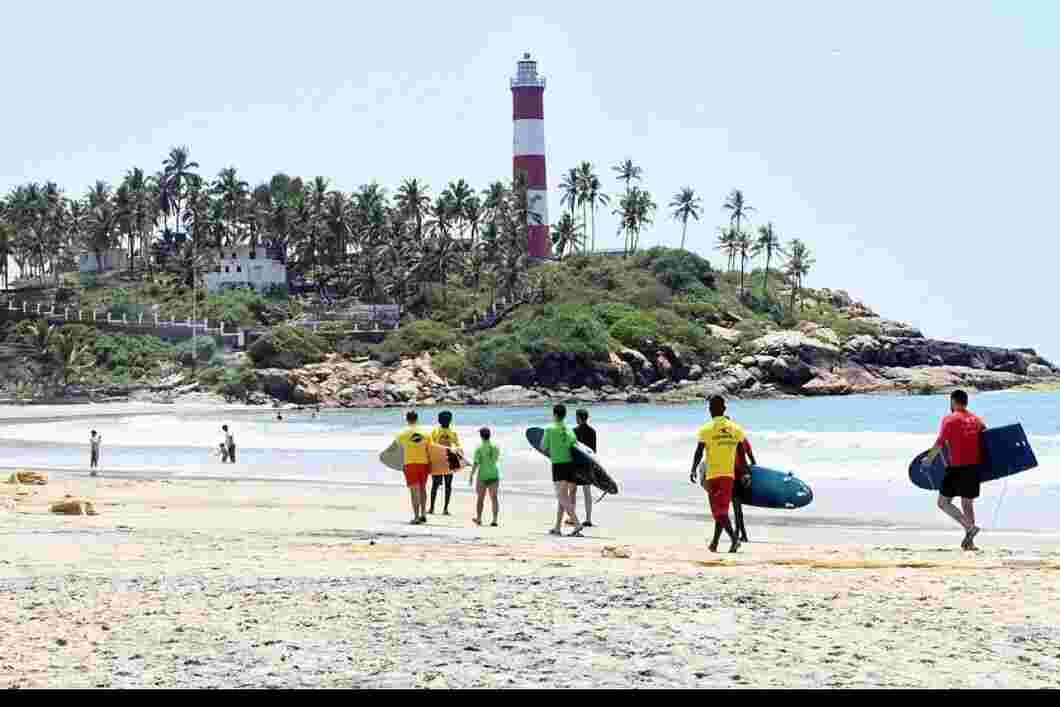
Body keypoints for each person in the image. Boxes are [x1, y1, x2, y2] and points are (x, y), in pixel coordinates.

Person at [925, 389, 986, 550]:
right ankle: (970, 543)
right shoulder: (977, 420)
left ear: (953, 401)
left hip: (956, 468)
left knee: (943, 503)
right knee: (967, 504)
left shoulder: (949, 419)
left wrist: (929, 459)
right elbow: (987, 440)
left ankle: (970, 528)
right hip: (974, 468)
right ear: (966, 402)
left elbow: (940, 443)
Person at [689, 395, 743, 553]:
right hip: (729, 476)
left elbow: (699, 451)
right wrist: (745, 472)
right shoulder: (735, 428)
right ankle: (715, 543)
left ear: (711, 410)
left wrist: (693, 469)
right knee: (722, 511)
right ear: (724, 409)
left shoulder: (706, 429)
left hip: (713, 475)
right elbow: (741, 452)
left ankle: (734, 538)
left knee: (718, 512)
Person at [542, 404, 583, 537]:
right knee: (563, 496)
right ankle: (557, 528)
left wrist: (554, 449)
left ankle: (576, 524)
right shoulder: (568, 429)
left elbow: (543, 446)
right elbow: (574, 442)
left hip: (558, 465)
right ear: (564, 415)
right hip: (569, 465)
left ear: (554, 414)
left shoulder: (549, 429)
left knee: (561, 496)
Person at [397, 410, 431, 524]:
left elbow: (398, 449)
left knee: (414, 491)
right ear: (417, 419)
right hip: (424, 464)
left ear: (407, 419)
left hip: (410, 464)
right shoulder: (426, 434)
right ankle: (424, 514)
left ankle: (416, 517)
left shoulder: (402, 434)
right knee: (422, 489)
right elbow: (430, 449)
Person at [429, 410, 462, 515]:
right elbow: (458, 446)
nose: (447, 421)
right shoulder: (439, 432)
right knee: (442, 485)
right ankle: (439, 509)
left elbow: (457, 445)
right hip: (445, 459)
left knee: (439, 485)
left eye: (447, 419)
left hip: (444, 460)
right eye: (446, 419)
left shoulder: (441, 432)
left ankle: (437, 508)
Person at [570, 408, 598, 527]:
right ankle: (588, 519)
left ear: (579, 418)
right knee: (587, 492)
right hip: (588, 464)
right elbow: (593, 451)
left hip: (577, 465)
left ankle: (573, 518)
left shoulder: (574, 431)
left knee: (573, 491)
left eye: (576, 417)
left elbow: (573, 449)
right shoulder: (593, 431)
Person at [470, 427, 501, 527]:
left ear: (481, 436)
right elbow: (495, 459)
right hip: (494, 474)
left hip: (483, 475)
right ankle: (495, 520)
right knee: (494, 498)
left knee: (480, 498)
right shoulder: (496, 447)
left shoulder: (479, 448)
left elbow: (476, 463)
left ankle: (479, 519)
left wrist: (471, 475)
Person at [733, 434, 756, 543]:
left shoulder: (727, 439)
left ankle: (738, 534)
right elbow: (750, 455)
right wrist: (752, 470)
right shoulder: (742, 437)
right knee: (738, 507)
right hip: (745, 475)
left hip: (735, 475)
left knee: (736, 506)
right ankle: (742, 534)